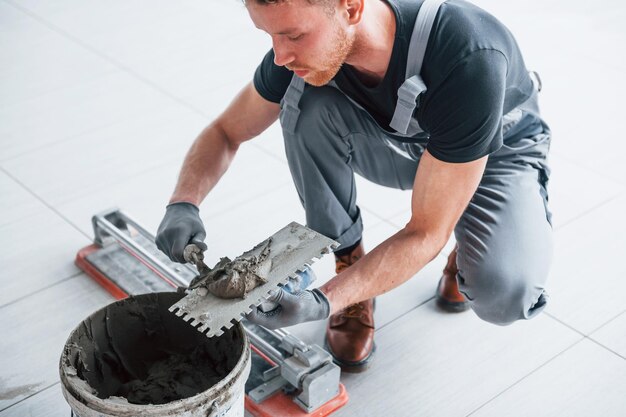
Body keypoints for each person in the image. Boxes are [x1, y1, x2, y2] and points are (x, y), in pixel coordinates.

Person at [156, 0, 553, 373]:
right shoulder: (305, 46)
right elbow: (227, 131)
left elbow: (425, 232)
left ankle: (466, 242)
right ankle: (350, 257)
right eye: (270, 36)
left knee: (504, 292)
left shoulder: (468, 58)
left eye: (293, 37)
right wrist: (184, 202)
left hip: (496, 154)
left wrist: (323, 300)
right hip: (406, 145)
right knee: (306, 99)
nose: (280, 55)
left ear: (351, 6)